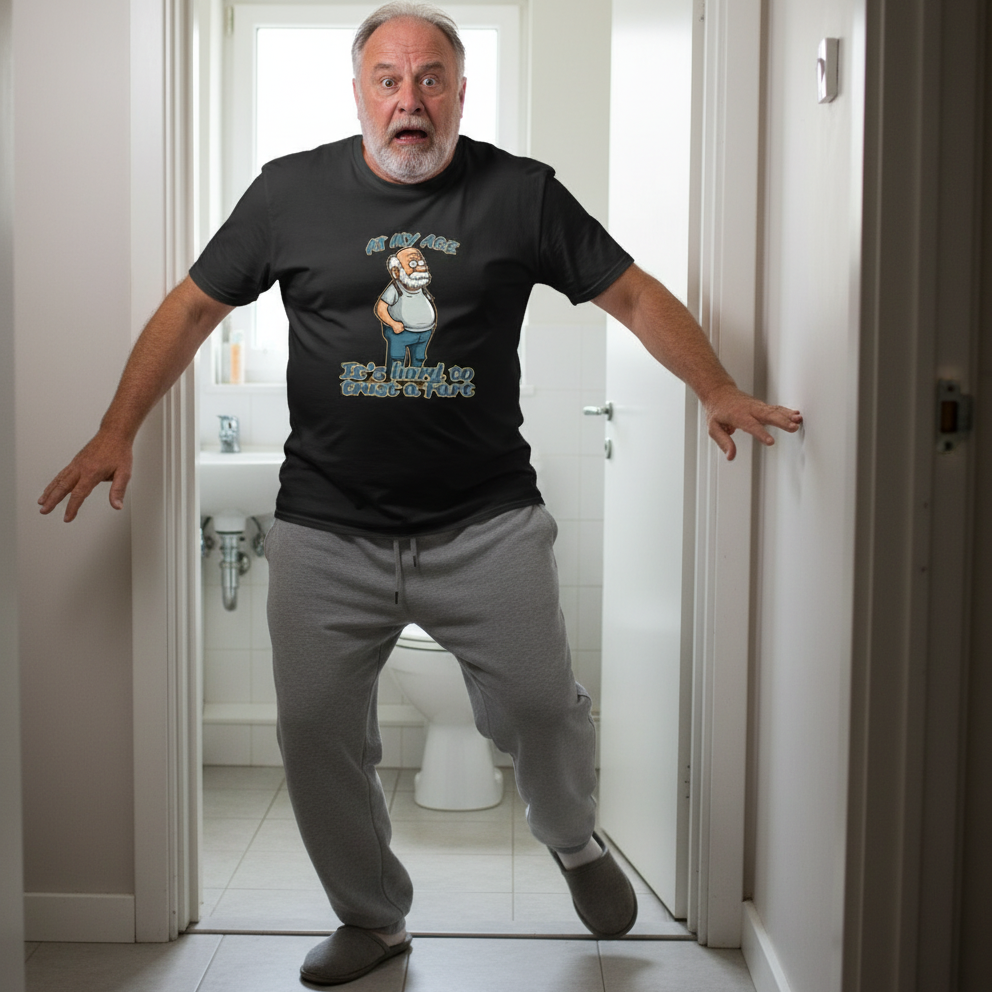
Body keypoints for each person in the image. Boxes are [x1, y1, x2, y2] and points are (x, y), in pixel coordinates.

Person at [39, 2, 802, 984]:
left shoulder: (520, 195)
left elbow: (631, 292)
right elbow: (193, 308)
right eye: (389, 79)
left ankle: (572, 839)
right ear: (358, 92)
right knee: (315, 732)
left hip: (485, 521)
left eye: (431, 78)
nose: (410, 100)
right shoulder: (287, 194)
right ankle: (373, 921)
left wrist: (716, 387)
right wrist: (118, 427)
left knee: (538, 706)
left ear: (461, 92)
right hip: (324, 529)